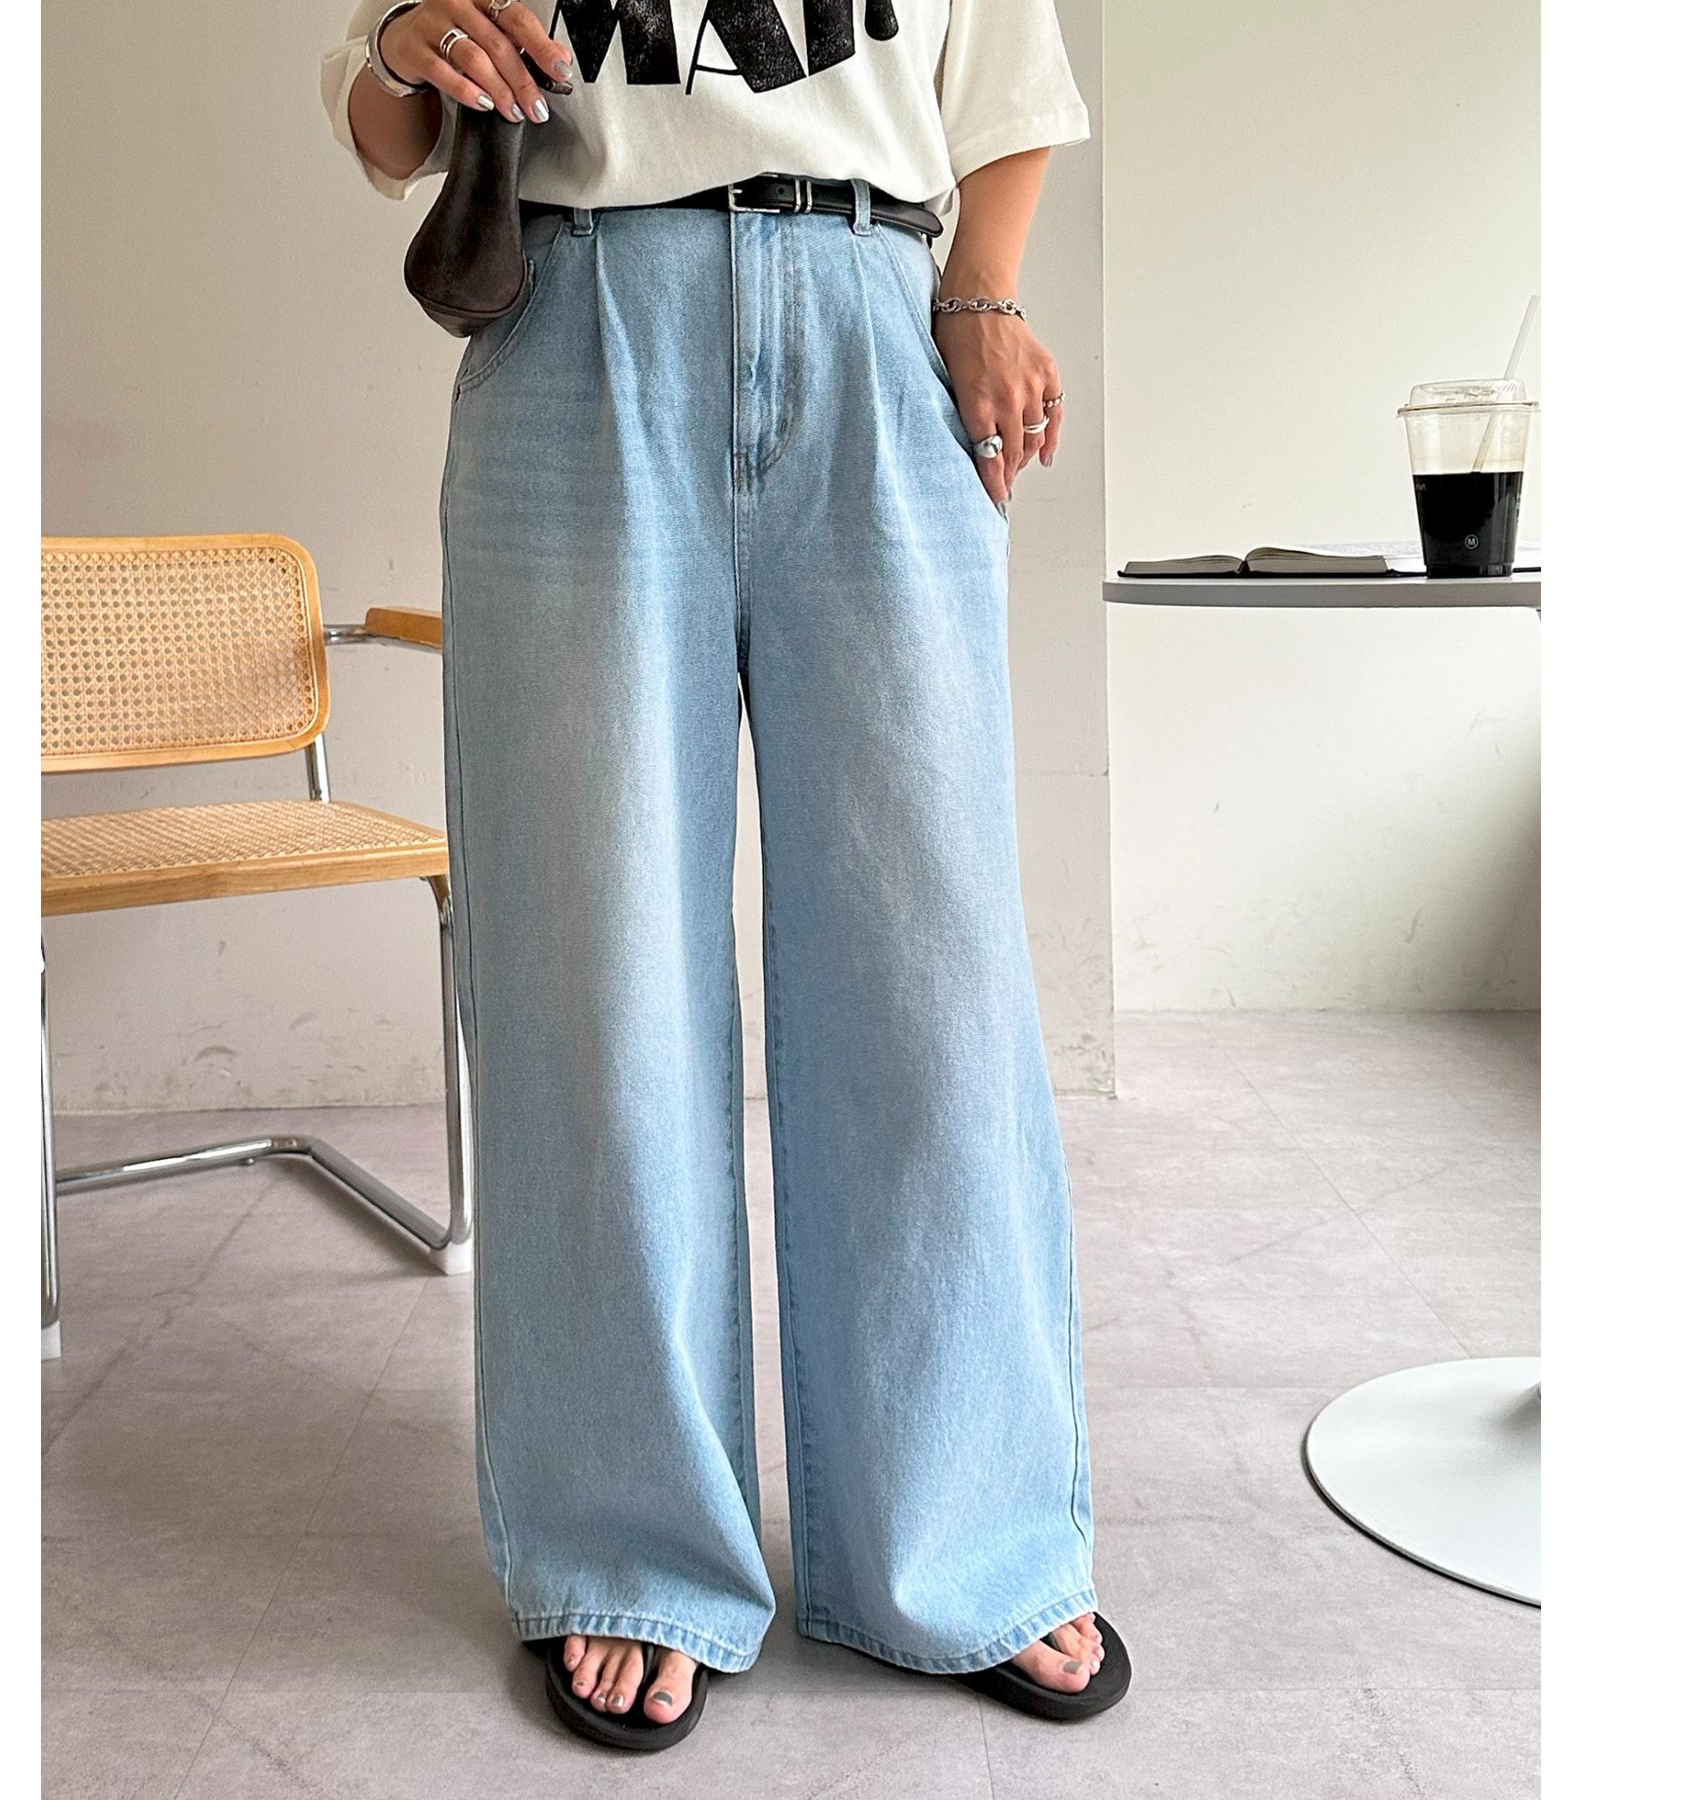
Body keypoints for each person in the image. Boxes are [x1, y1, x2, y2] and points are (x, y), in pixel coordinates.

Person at [320, 0, 1129, 1751]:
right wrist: (406, 43)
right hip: (578, 327)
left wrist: (982, 293)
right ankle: (631, 1544)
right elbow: (388, 131)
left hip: (875, 314)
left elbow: (1001, 81)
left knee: (927, 967)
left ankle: (967, 1532)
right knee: (593, 965)